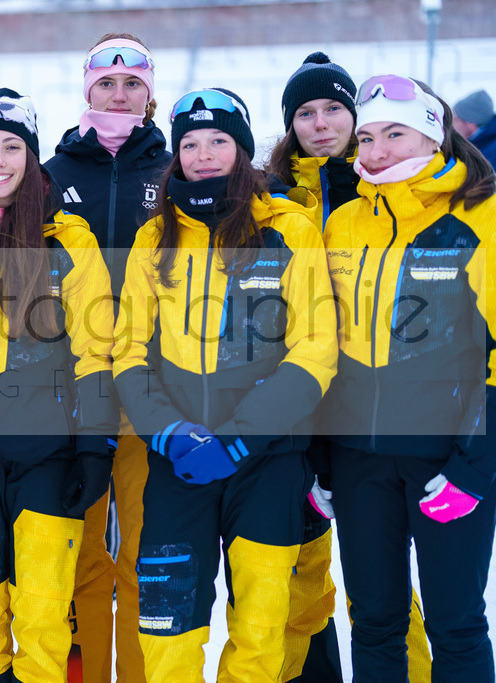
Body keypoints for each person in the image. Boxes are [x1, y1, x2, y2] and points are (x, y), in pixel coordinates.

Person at [112, 87, 338, 681]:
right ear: (176, 156)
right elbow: (127, 352)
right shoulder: (153, 237)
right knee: (167, 632)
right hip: (177, 462)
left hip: (266, 462)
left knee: (262, 635)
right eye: (190, 143)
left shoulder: (287, 228)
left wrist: (239, 438)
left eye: (219, 141)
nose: (204, 154)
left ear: (241, 150)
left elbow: (316, 349)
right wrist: (169, 434)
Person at [320, 74, 496, 682]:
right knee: (373, 622)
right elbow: (326, 346)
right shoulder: (342, 224)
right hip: (359, 462)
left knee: (456, 626)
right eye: (365, 138)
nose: (376, 152)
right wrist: (324, 464)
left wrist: (475, 467)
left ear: (434, 134)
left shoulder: (481, 216)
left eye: (395, 134)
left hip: (448, 459)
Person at [0, 88, 118, 683]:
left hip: (48, 456)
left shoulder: (69, 238)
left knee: (43, 618)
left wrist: (95, 444)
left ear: (32, 158)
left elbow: (98, 348)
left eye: (11, 147)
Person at [266, 52, 433, 683]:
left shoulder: (387, 191)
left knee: (385, 581)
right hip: (296, 410)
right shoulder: (268, 195)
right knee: (298, 576)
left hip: (372, 410)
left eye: (334, 107)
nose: (320, 123)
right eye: (304, 113)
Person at [43, 32, 171, 683]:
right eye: (106, 83)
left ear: (150, 94)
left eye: (132, 84)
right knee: (85, 554)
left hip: (151, 393)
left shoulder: (174, 170)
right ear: (85, 89)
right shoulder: (52, 175)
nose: (119, 94)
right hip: (76, 393)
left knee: (143, 558)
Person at [452, 89, 496, 170]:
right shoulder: (482, 144)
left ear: (470, 124)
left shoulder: (487, 158)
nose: (451, 125)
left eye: (455, 120)